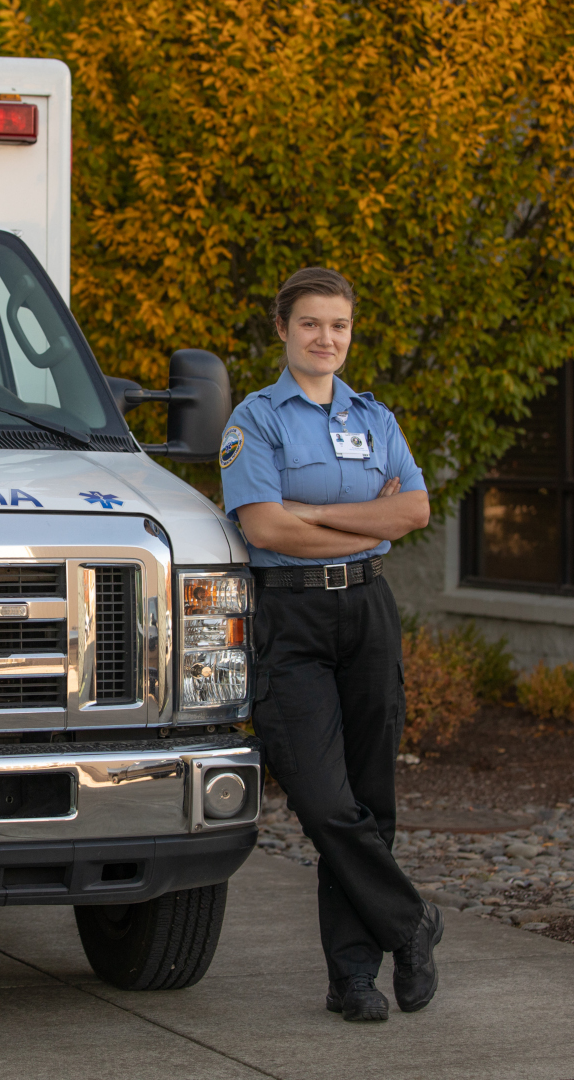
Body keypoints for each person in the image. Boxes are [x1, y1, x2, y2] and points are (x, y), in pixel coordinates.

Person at [219, 266, 442, 1022]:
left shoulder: (374, 419)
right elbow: (265, 528)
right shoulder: (258, 419)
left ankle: (354, 979)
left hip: (368, 612)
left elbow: (413, 511)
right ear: (283, 330)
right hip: (292, 620)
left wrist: (310, 512)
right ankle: (412, 923)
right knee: (324, 800)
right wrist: (354, 518)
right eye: (311, 324)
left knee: (371, 801)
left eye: (339, 326)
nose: (327, 339)